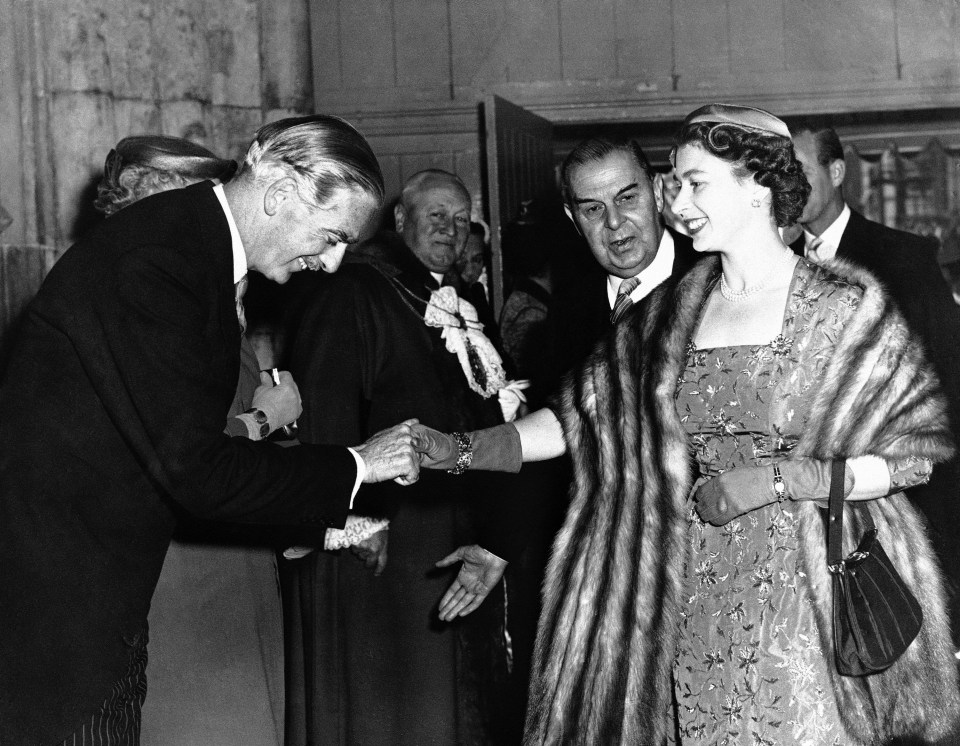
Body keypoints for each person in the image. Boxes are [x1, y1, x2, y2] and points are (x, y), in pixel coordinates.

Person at [414, 104, 960, 745]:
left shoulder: (846, 308)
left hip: (810, 594)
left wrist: (780, 480)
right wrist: (454, 449)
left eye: (695, 182)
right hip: (692, 591)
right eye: (674, 182)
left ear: (757, 186)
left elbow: (915, 457)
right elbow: (580, 423)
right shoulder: (673, 311)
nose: (678, 201)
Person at [0, 115, 423, 746]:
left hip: (91, 600)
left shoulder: (193, 251)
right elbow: (198, 471)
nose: (333, 264)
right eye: (332, 236)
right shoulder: (160, 262)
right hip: (61, 618)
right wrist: (360, 463)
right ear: (279, 189)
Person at [282, 169, 523, 745]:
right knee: (396, 700)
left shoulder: (461, 303)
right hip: (389, 529)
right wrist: (356, 518)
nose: (450, 229)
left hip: (454, 524)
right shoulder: (357, 290)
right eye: (436, 215)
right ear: (399, 219)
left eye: (462, 220)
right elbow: (324, 404)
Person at [791, 120, 960, 644]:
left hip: (897, 497)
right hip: (805, 499)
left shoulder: (904, 257)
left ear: (837, 171)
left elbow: (947, 382)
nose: (786, 186)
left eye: (798, 170)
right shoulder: (774, 266)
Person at [547, 136, 697, 392]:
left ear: (657, 193)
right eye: (593, 209)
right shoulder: (566, 312)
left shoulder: (718, 277)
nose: (614, 221)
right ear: (574, 220)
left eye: (626, 198)